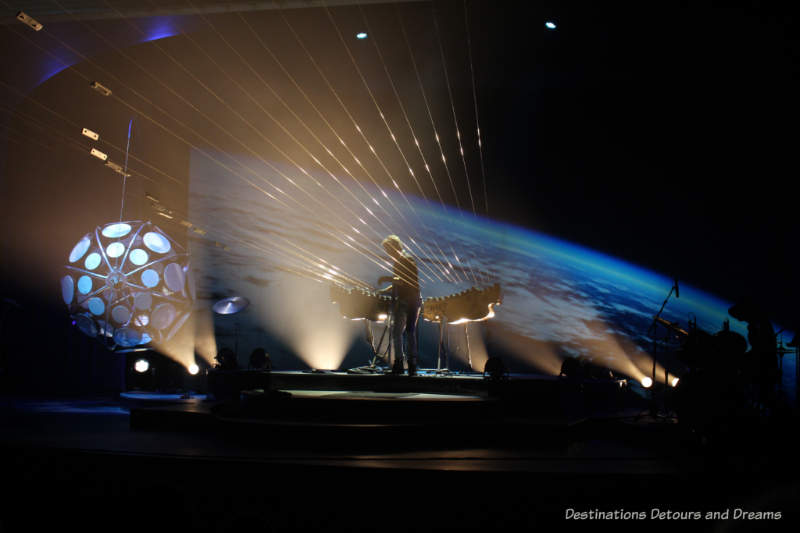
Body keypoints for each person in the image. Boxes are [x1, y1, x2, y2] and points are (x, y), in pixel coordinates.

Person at [377, 235, 421, 376]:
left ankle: (411, 365)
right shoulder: (399, 261)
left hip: (411, 300)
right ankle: (400, 364)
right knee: (398, 332)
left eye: (389, 250)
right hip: (404, 300)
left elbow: (405, 281)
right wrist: (385, 290)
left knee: (409, 331)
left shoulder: (407, 260)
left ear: (395, 247)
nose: (388, 253)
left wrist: (386, 278)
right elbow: (398, 282)